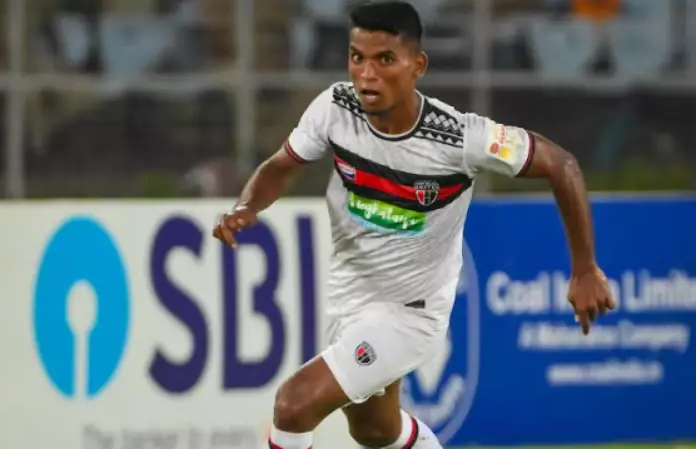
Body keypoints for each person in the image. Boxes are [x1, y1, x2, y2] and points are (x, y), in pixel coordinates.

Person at [212, 1, 615, 448]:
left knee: (294, 405)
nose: (367, 74)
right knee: (375, 430)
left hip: (410, 314)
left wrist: (584, 269)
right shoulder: (334, 108)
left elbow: (562, 164)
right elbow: (283, 165)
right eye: (357, 57)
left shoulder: (460, 138)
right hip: (348, 299)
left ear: (417, 65)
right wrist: (247, 206)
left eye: (385, 59)